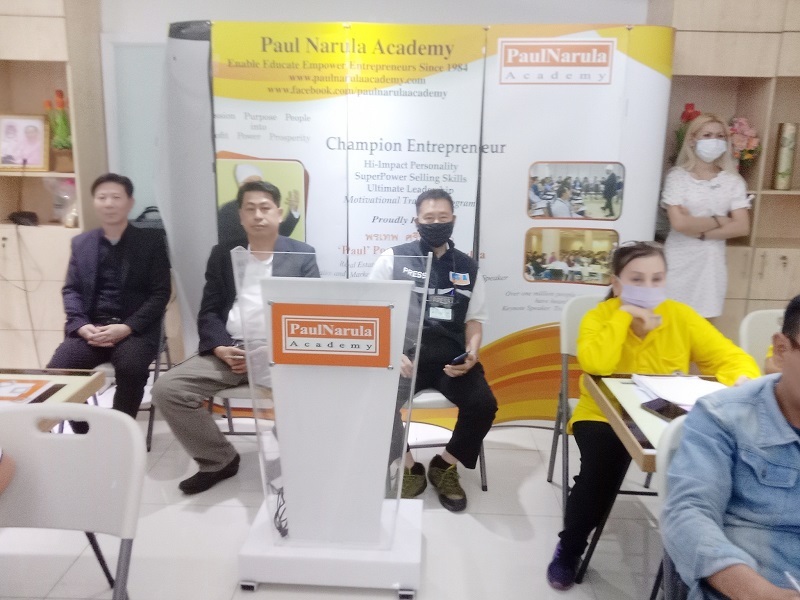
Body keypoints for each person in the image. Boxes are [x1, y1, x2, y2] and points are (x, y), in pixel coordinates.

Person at [546, 240, 760, 591]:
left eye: (657, 279)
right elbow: (596, 363)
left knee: (709, 471)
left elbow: (728, 356)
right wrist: (624, 315)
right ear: (616, 283)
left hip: (664, 414)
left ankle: (702, 563)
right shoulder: (600, 316)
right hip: (603, 412)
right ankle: (569, 548)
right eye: (637, 279)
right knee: (600, 473)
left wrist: (742, 378)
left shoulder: (680, 316)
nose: (648, 287)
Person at [152, 180, 319, 495]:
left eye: (265, 208)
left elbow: (309, 315)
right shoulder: (224, 254)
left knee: (306, 395)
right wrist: (220, 347)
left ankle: (294, 462)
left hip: (281, 354)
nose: (258, 215)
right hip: (232, 351)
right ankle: (219, 460)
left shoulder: (301, 255)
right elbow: (209, 310)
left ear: (279, 213)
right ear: (241, 216)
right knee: (167, 389)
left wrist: (275, 349)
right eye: (250, 209)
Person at [661, 294, 800, 600]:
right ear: (781, 350)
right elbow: (688, 513)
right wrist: (757, 592)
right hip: (750, 583)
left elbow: (728, 356)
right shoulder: (722, 417)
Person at [369, 189, 498, 512]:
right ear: (417, 221)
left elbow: (475, 320)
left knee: (483, 405)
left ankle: (444, 464)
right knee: (375, 402)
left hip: (450, 360)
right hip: (404, 358)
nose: (436, 223)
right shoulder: (393, 259)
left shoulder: (468, 267)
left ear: (453, 219)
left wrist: (472, 354)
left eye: (443, 217)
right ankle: (409, 466)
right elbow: (373, 313)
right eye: (429, 218)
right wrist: (389, 352)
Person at [47, 173, 171, 430]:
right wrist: (81, 325)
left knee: (131, 369)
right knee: (57, 372)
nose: (109, 203)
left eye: (116, 197)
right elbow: (71, 290)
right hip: (91, 329)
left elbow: (160, 294)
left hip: (134, 331)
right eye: (102, 197)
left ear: (130, 202)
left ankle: (117, 432)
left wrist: (127, 327)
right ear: (94, 202)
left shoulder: (151, 243)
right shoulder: (81, 244)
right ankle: (87, 431)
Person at [662, 113, 751, 319]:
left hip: (711, 264)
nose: (714, 141)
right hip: (678, 260)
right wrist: (720, 220)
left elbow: (742, 227)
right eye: (707, 135)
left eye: (720, 136)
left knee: (705, 325)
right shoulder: (677, 178)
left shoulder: (732, 181)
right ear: (692, 140)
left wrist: (700, 232)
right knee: (672, 321)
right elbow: (679, 224)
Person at [217, 164, 301, 244]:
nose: (256, 187)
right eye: (251, 183)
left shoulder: (267, 206)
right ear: (241, 186)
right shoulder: (227, 211)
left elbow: (281, 232)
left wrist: (293, 210)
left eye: (259, 183)